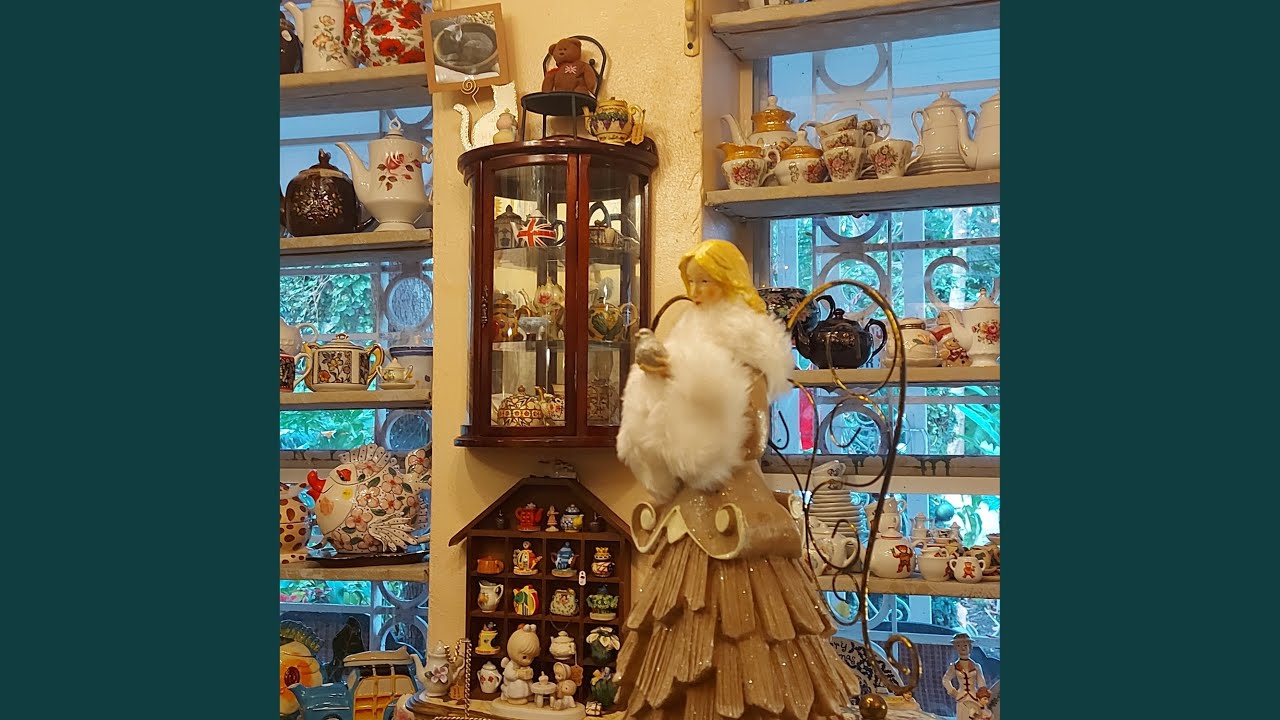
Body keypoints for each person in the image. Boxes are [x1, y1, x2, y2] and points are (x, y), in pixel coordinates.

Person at [614, 239, 865, 719]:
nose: (696, 291)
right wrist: (656, 380)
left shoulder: (746, 346)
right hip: (691, 503)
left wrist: (682, 380)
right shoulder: (687, 340)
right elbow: (661, 418)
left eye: (706, 281)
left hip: (735, 497)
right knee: (679, 611)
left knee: (756, 619)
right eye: (692, 282)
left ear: (728, 282)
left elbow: (749, 436)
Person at [941, 633, 988, 720]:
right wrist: (952, 690)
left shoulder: (976, 666)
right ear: (955, 648)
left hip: (974, 696)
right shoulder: (954, 666)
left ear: (970, 647)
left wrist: (983, 695)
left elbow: (981, 683)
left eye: (965, 645)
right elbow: (946, 679)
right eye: (959, 645)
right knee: (962, 716)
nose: (962, 648)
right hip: (961, 697)